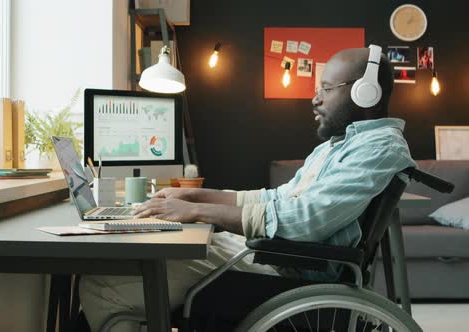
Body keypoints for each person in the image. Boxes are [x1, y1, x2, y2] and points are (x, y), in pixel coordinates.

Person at [79, 46, 416, 331]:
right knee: (126, 268)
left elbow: (305, 219)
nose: (314, 99)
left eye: (326, 89)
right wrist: (196, 196)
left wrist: (197, 211)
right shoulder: (338, 146)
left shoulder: (379, 147)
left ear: (365, 92)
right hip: (271, 255)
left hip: (290, 273)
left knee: (103, 286)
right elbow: (277, 199)